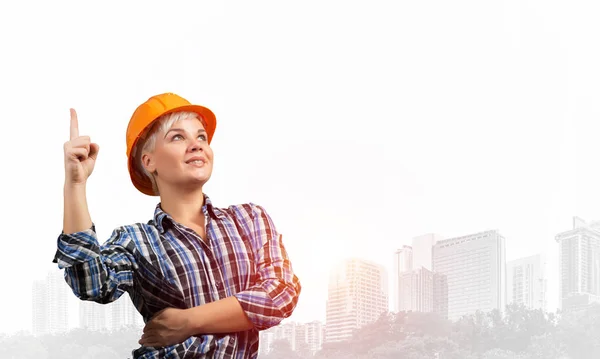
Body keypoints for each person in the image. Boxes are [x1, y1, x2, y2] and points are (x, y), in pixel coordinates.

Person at [53, 93, 301, 358]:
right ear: (149, 162)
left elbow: (280, 295)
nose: (196, 145)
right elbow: (90, 284)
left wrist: (188, 321)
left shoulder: (249, 220)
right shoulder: (136, 241)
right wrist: (75, 185)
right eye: (178, 137)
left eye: (201, 137)